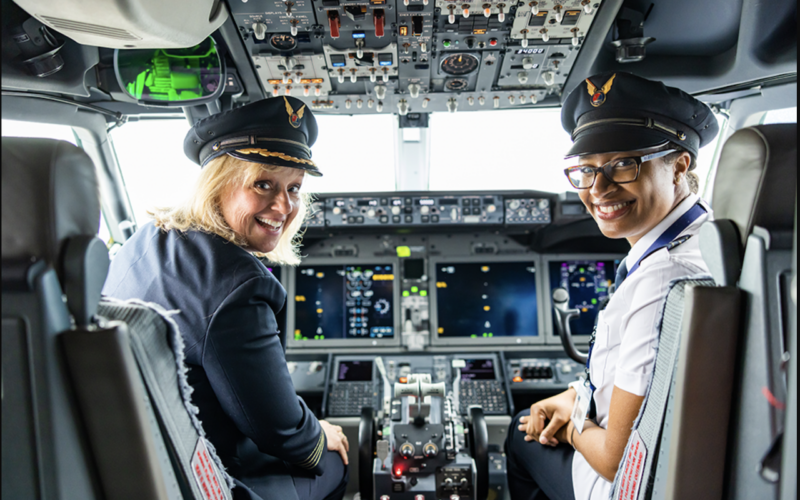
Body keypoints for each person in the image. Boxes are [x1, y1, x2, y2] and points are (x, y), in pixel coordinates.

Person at [102, 97, 349, 500]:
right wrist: (318, 432)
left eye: (294, 188)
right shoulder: (238, 285)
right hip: (203, 474)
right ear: (219, 182)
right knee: (331, 459)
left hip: (134, 457)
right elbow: (280, 431)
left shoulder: (147, 237)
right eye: (263, 184)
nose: (283, 206)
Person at [505, 72, 720, 500]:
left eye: (623, 164)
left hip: (621, 485)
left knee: (520, 433)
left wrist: (571, 422)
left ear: (679, 165)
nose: (599, 189)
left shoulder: (664, 279)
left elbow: (613, 459)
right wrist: (571, 397)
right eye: (586, 170)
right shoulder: (705, 237)